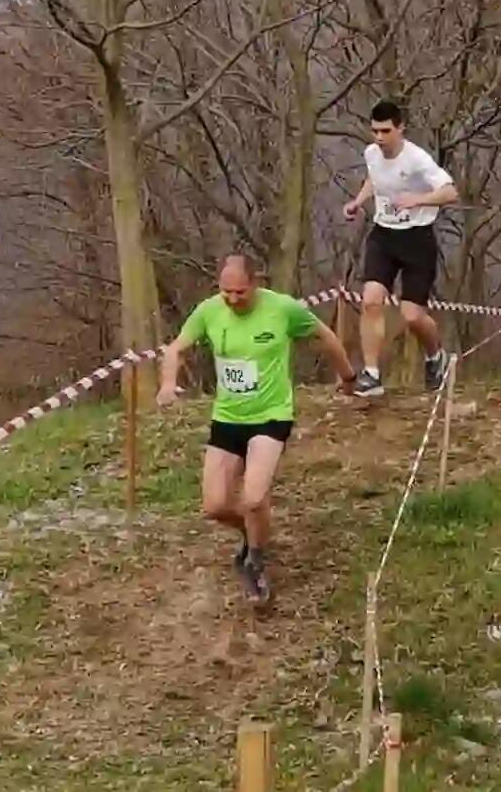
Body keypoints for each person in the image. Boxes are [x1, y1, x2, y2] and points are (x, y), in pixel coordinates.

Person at [156, 254, 356, 606]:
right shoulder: (208, 310)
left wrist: (348, 377)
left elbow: (324, 335)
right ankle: (253, 536)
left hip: (271, 415)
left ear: (256, 284)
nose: (232, 300)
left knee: (252, 498)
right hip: (229, 417)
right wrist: (168, 385)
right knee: (215, 505)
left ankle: (256, 561)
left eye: (240, 292)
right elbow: (175, 349)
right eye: (226, 292)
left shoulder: (283, 309)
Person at [342, 100, 458, 398]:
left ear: (400, 128)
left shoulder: (417, 159)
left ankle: (435, 356)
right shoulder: (371, 153)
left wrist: (418, 200)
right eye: (375, 131)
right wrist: (358, 201)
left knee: (411, 316)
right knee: (371, 300)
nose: (379, 138)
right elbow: (375, 178)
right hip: (384, 235)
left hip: (417, 239)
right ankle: (372, 374)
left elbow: (450, 192)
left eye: (385, 131)